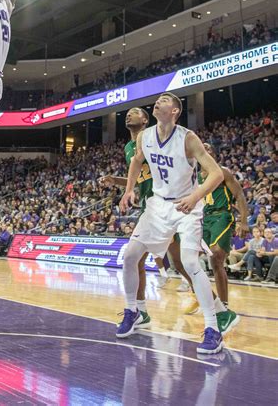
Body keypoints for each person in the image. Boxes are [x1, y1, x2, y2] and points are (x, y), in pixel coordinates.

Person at [118, 92, 224, 355]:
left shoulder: (187, 138)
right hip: (157, 203)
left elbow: (217, 173)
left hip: (185, 204)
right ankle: (133, 311)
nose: (158, 102)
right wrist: (128, 190)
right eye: (158, 100)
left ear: (175, 111)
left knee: (188, 262)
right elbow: (136, 161)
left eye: (165, 100)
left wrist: (195, 196)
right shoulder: (145, 136)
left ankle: (213, 328)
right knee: (130, 256)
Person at [99, 107, 192, 330]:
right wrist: (117, 181)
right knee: (135, 259)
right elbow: (141, 178)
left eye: (134, 112)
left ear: (145, 119)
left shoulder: (155, 137)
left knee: (182, 262)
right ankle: (139, 311)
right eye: (127, 113)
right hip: (149, 206)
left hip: (171, 203)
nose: (128, 115)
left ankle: (216, 307)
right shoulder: (129, 148)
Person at [193, 143, 249, 333]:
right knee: (206, 262)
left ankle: (223, 305)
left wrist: (244, 221)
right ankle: (215, 303)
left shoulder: (222, 171)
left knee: (217, 256)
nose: (205, 150)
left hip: (222, 215)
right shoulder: (196, 177)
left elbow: (239, 194)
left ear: (212, 153)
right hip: (204, 219)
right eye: (202, 148)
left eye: (208, 148)